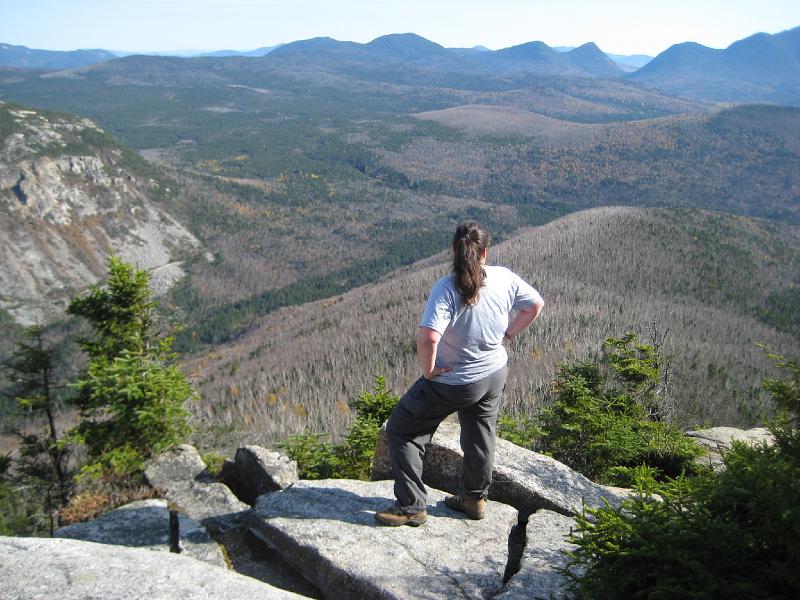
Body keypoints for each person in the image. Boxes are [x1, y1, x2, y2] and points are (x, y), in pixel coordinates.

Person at [375, 221, 544, 527]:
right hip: (493, 373)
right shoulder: (503, 277)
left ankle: (412, 505)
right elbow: (535, 305)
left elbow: (428, 337)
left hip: (453, 380)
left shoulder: (446, 288)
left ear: (454, 250)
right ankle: (474, 498)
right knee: (481, 435)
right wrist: (508, 334)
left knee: (402, 430)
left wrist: (428, 371)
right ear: (485, 253)